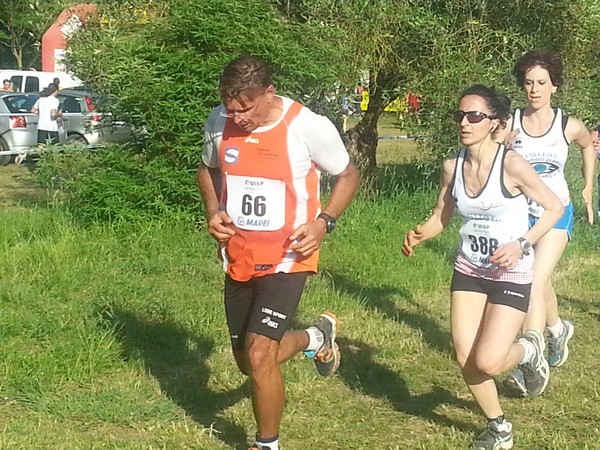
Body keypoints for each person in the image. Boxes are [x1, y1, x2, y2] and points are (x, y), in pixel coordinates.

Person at [197, 55, 360, 450]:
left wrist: (324, 223)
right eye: (231, 108)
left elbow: (348, 173)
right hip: (239, 254)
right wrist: (214, 209)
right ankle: (314, 337)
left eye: (246, 108)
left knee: (259, 354)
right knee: (247, 361)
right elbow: (207, 168)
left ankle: (267, 443)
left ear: (269, 93)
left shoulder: (307, 126)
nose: (238, 118)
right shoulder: (219, 121)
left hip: (290, 255)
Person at [402, 85, 563, 449]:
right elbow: (441, 216)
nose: (464, 122)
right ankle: (498, 427)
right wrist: (420, 233)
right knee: (465, 357)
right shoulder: (451, 166)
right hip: (470, 270)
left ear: (494, 123)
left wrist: (521, 243)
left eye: (474, 116)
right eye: (460, 115)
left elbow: (553, 208)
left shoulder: (512, 164)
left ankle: (529, 349)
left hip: (511, 271)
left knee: (488, 362)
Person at [500, 50, 596, 396]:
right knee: (541, 282)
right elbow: (488, 153)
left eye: (541, 83)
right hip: (520, 216)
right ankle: (557, 330)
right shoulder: (510, 123)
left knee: (531, 284)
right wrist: (501, 143)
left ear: (554, 85)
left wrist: (587, 185)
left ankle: (531, 362)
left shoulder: (567, 125)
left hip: (557, 213)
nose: (534, 90)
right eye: (528, 83)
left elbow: (588, 146)